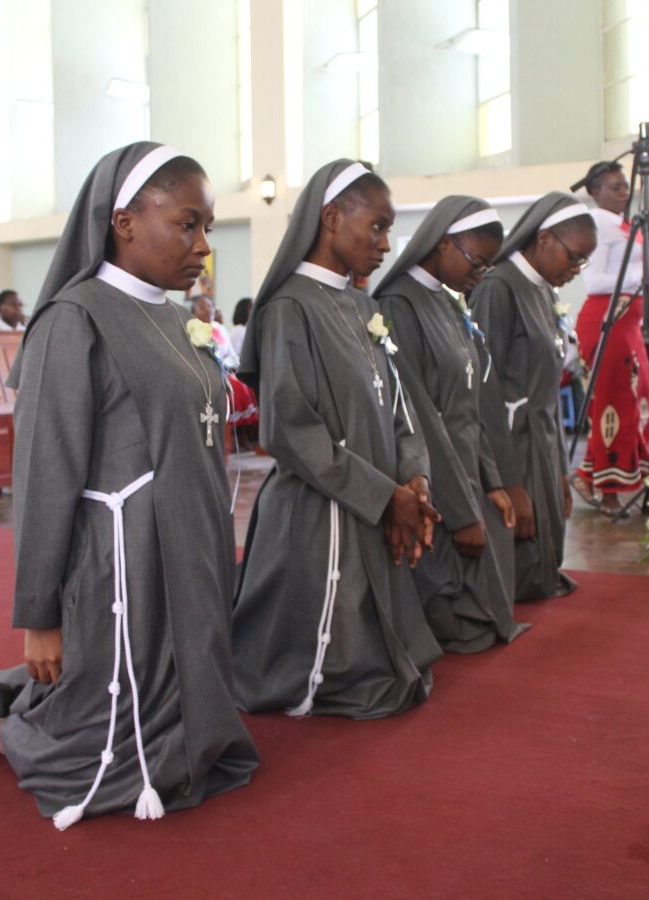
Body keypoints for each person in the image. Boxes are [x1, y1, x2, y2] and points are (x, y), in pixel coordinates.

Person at [0, 142, 258, 828]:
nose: (202, 244)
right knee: (95, 751)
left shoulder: (172, 316)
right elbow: (45, 474)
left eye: (207, 228)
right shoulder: (74, 318)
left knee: (179, 715)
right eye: (187, 223)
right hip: (121, 556)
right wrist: (39, 616)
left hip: (188, 541)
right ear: (124, 221)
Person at [233, 159, 442, 720]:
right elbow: (290, 430)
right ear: (330, 218)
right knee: (337, 671)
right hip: (317, 511)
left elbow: (398, 402)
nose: (385, 242)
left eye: (387, 229)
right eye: (375, 226)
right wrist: (385, 495)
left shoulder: (364, 305)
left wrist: (415, 475)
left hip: (376, 496)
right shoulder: (288, 308)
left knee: (390, 669)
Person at [374, 197, 529, 652]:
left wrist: (492, 480)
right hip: (434, 478)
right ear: (443, 243)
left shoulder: (446, 301)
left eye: (487, 267)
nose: (480, 275)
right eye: (476, 263)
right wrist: (461, 510)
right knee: (455, 612)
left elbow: (470, 404)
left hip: (465, 470)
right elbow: (420, 414)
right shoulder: (399, 304)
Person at [471, 192, 597, 602]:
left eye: (583, 262)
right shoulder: (498, 287)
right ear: (544, 238)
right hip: (511, 441)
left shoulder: (542, 289)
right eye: (574, 257)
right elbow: (485, 388)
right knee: (519, 555)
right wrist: (511, 481)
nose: (576, 270)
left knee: (545, 557)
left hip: (543, 437)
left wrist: (561, 471)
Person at [571, 162, 649, 516]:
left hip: (627, 326)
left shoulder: (624, 224)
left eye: (625, 186)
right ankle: (608, 490)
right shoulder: (598, 224)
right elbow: (595, 282)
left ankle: (592, 475)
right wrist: (642, 273)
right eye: (615, 186)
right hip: (607, 323)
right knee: (612, 406)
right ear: (595, 190)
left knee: (639, 399)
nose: (624, 191)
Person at [192, 294, 239, 368]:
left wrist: (225, 363)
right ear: (193, 313)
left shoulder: (220, 328)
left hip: (224, 370)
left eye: (209, 306)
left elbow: (232, 355)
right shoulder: (192, 331)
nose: (207, 310)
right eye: (202, 308)